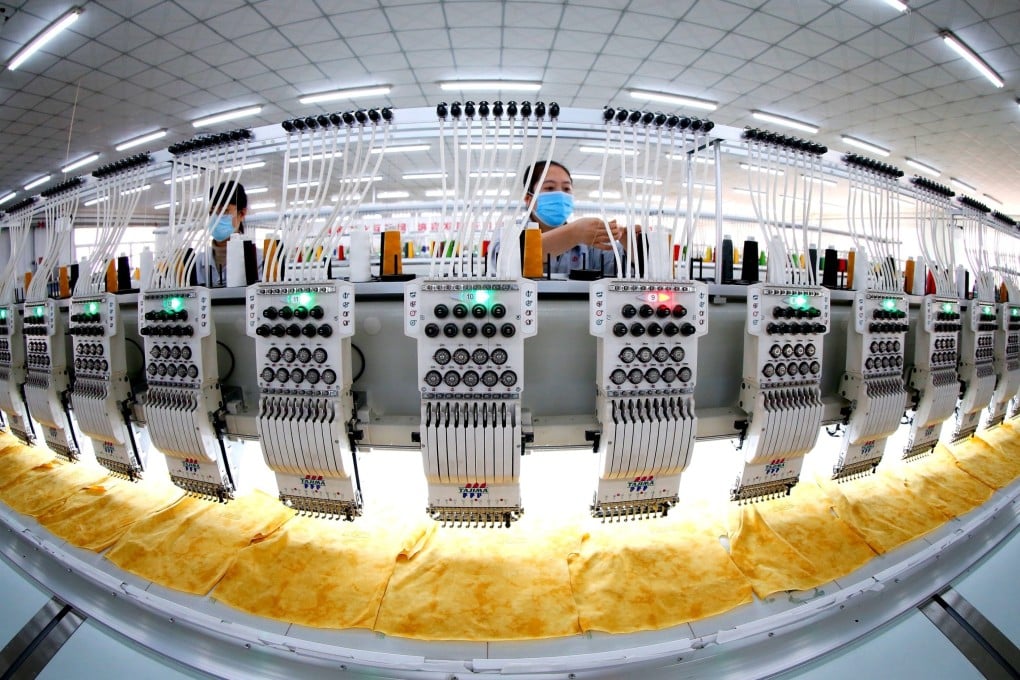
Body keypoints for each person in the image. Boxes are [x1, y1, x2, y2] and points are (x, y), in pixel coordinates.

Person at [521, 160, 625, 276]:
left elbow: (620, 271)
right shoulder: (509, 235)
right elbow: (514, 256)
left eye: (566, 189)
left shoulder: (589, 242)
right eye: (549, 188)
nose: (561, 195)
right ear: (528, 199)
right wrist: (574, 233)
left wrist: (631, 247)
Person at [196, 181, 252, 286]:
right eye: (211, 212)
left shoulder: (259, 259)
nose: (216, 218)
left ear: (242, 213)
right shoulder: (196, 263)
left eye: (224, 211)